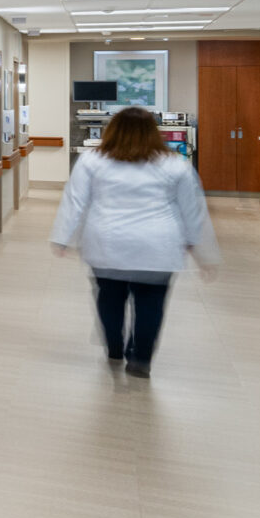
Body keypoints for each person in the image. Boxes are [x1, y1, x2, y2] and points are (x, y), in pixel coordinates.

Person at [50, 105, 218, 379]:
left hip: (107, 242)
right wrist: (201, 250)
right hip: (157, 246)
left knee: (109, 298)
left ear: (112, 130)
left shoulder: (92, 160)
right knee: (150, 303)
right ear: (154, 133)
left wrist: (62, 237)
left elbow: (75, 201)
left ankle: (115, 347)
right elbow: (192, 210)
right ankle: (141, 358)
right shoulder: (175, 164)